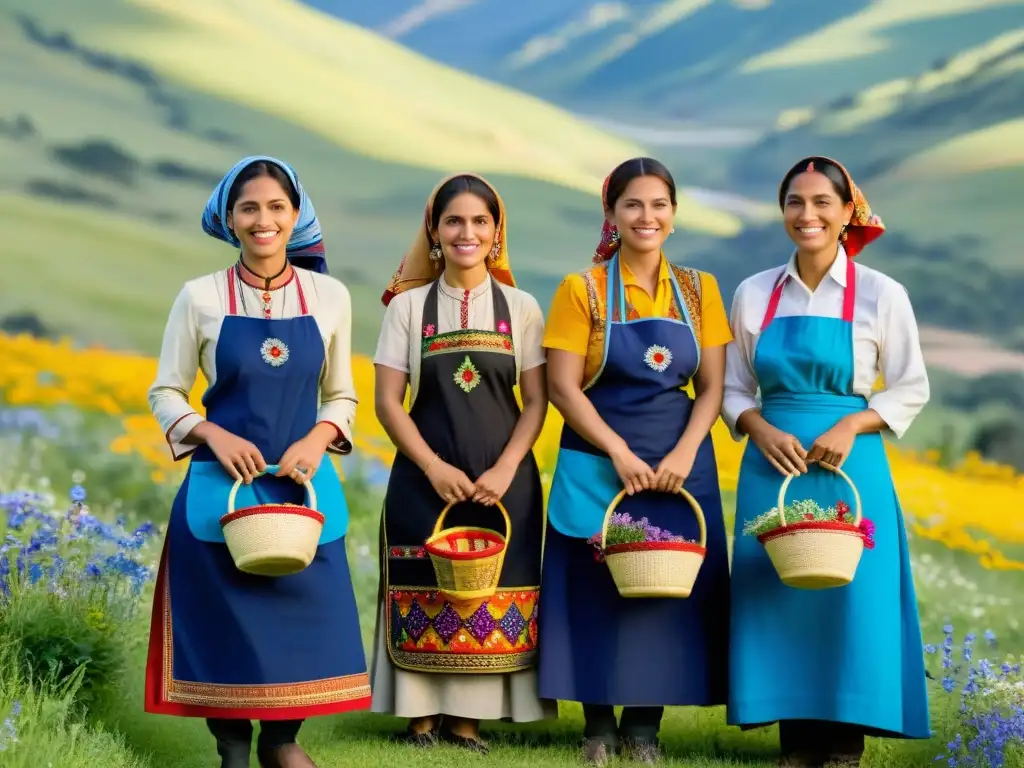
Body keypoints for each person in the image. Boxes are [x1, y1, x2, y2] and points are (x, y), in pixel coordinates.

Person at [145, 156, 370, 768]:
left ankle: (280, 743)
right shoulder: (199, 298)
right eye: (249, 208)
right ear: (229, 218)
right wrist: (210, 434)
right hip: (223, 490)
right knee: (225, 627)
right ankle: (232, 754)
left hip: (302, 492)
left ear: (296, 215)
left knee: (303, 620)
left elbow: (343, 394)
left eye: (276, 207)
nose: (263, 220)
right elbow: (165, 391)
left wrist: (319, 437)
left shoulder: (330, 297)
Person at [723, 156, 931, 767]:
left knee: (850, 597)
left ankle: (844, 741)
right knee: (781, 593)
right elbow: (736, 388)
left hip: (852, 463)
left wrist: (851, 422)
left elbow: (910, 386)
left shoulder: (882, 294)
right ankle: (797, 737)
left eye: (821, 203)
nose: (806, 214)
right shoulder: (755, 292)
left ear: (848, 214)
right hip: (772, 465)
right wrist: (757, 427)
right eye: (794, 201)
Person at [539, 157, 733, 765]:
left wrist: (682, 453)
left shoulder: (701, 290)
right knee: (593, 587)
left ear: (673, 215)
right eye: (633, 205)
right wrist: (617, 451)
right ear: (612, 215)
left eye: (658, 205)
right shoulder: (582, 290)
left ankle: (644, 729)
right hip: (600, 457)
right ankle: (597, 725)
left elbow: (712, 387)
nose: (646, 217)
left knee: (666, 594)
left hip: (680, 463)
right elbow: (563, 388)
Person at [370, 173, 555, 753]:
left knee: (489, 593)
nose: (466, 232)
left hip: (505, 481)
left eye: (480, 222)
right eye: (454, 221)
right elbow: (386, 402)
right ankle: (419, 718)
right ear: (434, 231)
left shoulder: (522, 308)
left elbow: (538, 401)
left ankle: (467, 722)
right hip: (425, 476)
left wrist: (504, 469)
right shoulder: (407, 307)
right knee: (424, 586)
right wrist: (431, 467)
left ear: (497, 233)